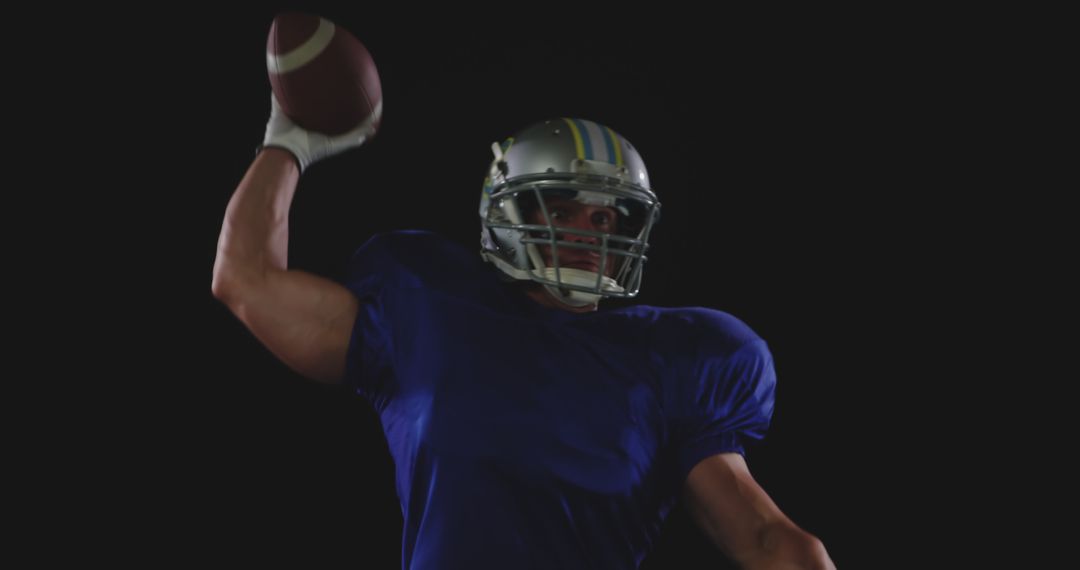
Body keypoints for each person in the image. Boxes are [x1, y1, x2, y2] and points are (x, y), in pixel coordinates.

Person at [212, 94, 836, 569]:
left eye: (605, 217)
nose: (590, 235)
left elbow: (761, 534)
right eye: (563, 210)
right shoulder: (427, 311)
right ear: (506, 213)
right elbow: (245, 279)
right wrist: (289, 143)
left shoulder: (675, 361)